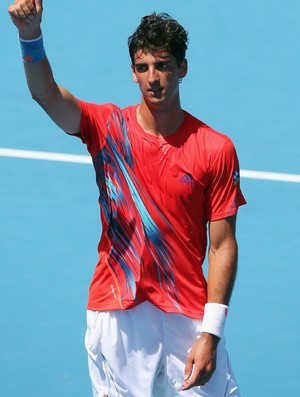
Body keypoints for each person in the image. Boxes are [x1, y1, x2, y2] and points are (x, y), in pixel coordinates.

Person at [8, 1, 246, 396]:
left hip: (188, 315)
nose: (153, 78)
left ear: (182, 69)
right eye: (143, 67)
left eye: (163, 65)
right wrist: (29, 35)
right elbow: (47, 96)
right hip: (118, 312)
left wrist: (212, 331)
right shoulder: (106, 128)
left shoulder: (215, 148)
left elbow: (222, 245)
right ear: (133, 73)